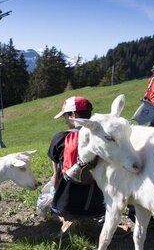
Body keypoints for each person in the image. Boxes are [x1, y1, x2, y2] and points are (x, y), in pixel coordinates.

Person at [48, 96, 106, 235]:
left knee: (50, 193)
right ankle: (91, 220)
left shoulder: (60, 138)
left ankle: (66, 220)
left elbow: (55, 169)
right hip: (96, 204)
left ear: (74, 115)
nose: (65, 121)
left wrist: (55, 178)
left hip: (66, 202)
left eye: (66, 117)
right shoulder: (100, 137)